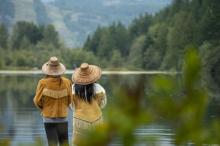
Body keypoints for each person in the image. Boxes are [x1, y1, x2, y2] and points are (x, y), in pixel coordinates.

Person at [33, 56, 72, 146]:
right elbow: (70, 100)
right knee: (64, 143)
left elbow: (37, 101)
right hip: (63, 117)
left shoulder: (42, 82)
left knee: (52, 144)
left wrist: (44, 108)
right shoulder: (67, 82)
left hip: (48, 118)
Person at [71, 63, 107, 145]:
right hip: (96, 120)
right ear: (92, 76)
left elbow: (71, 105)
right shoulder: (100, 88)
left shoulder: (72, 89)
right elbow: (103, 104)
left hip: (79, 120)